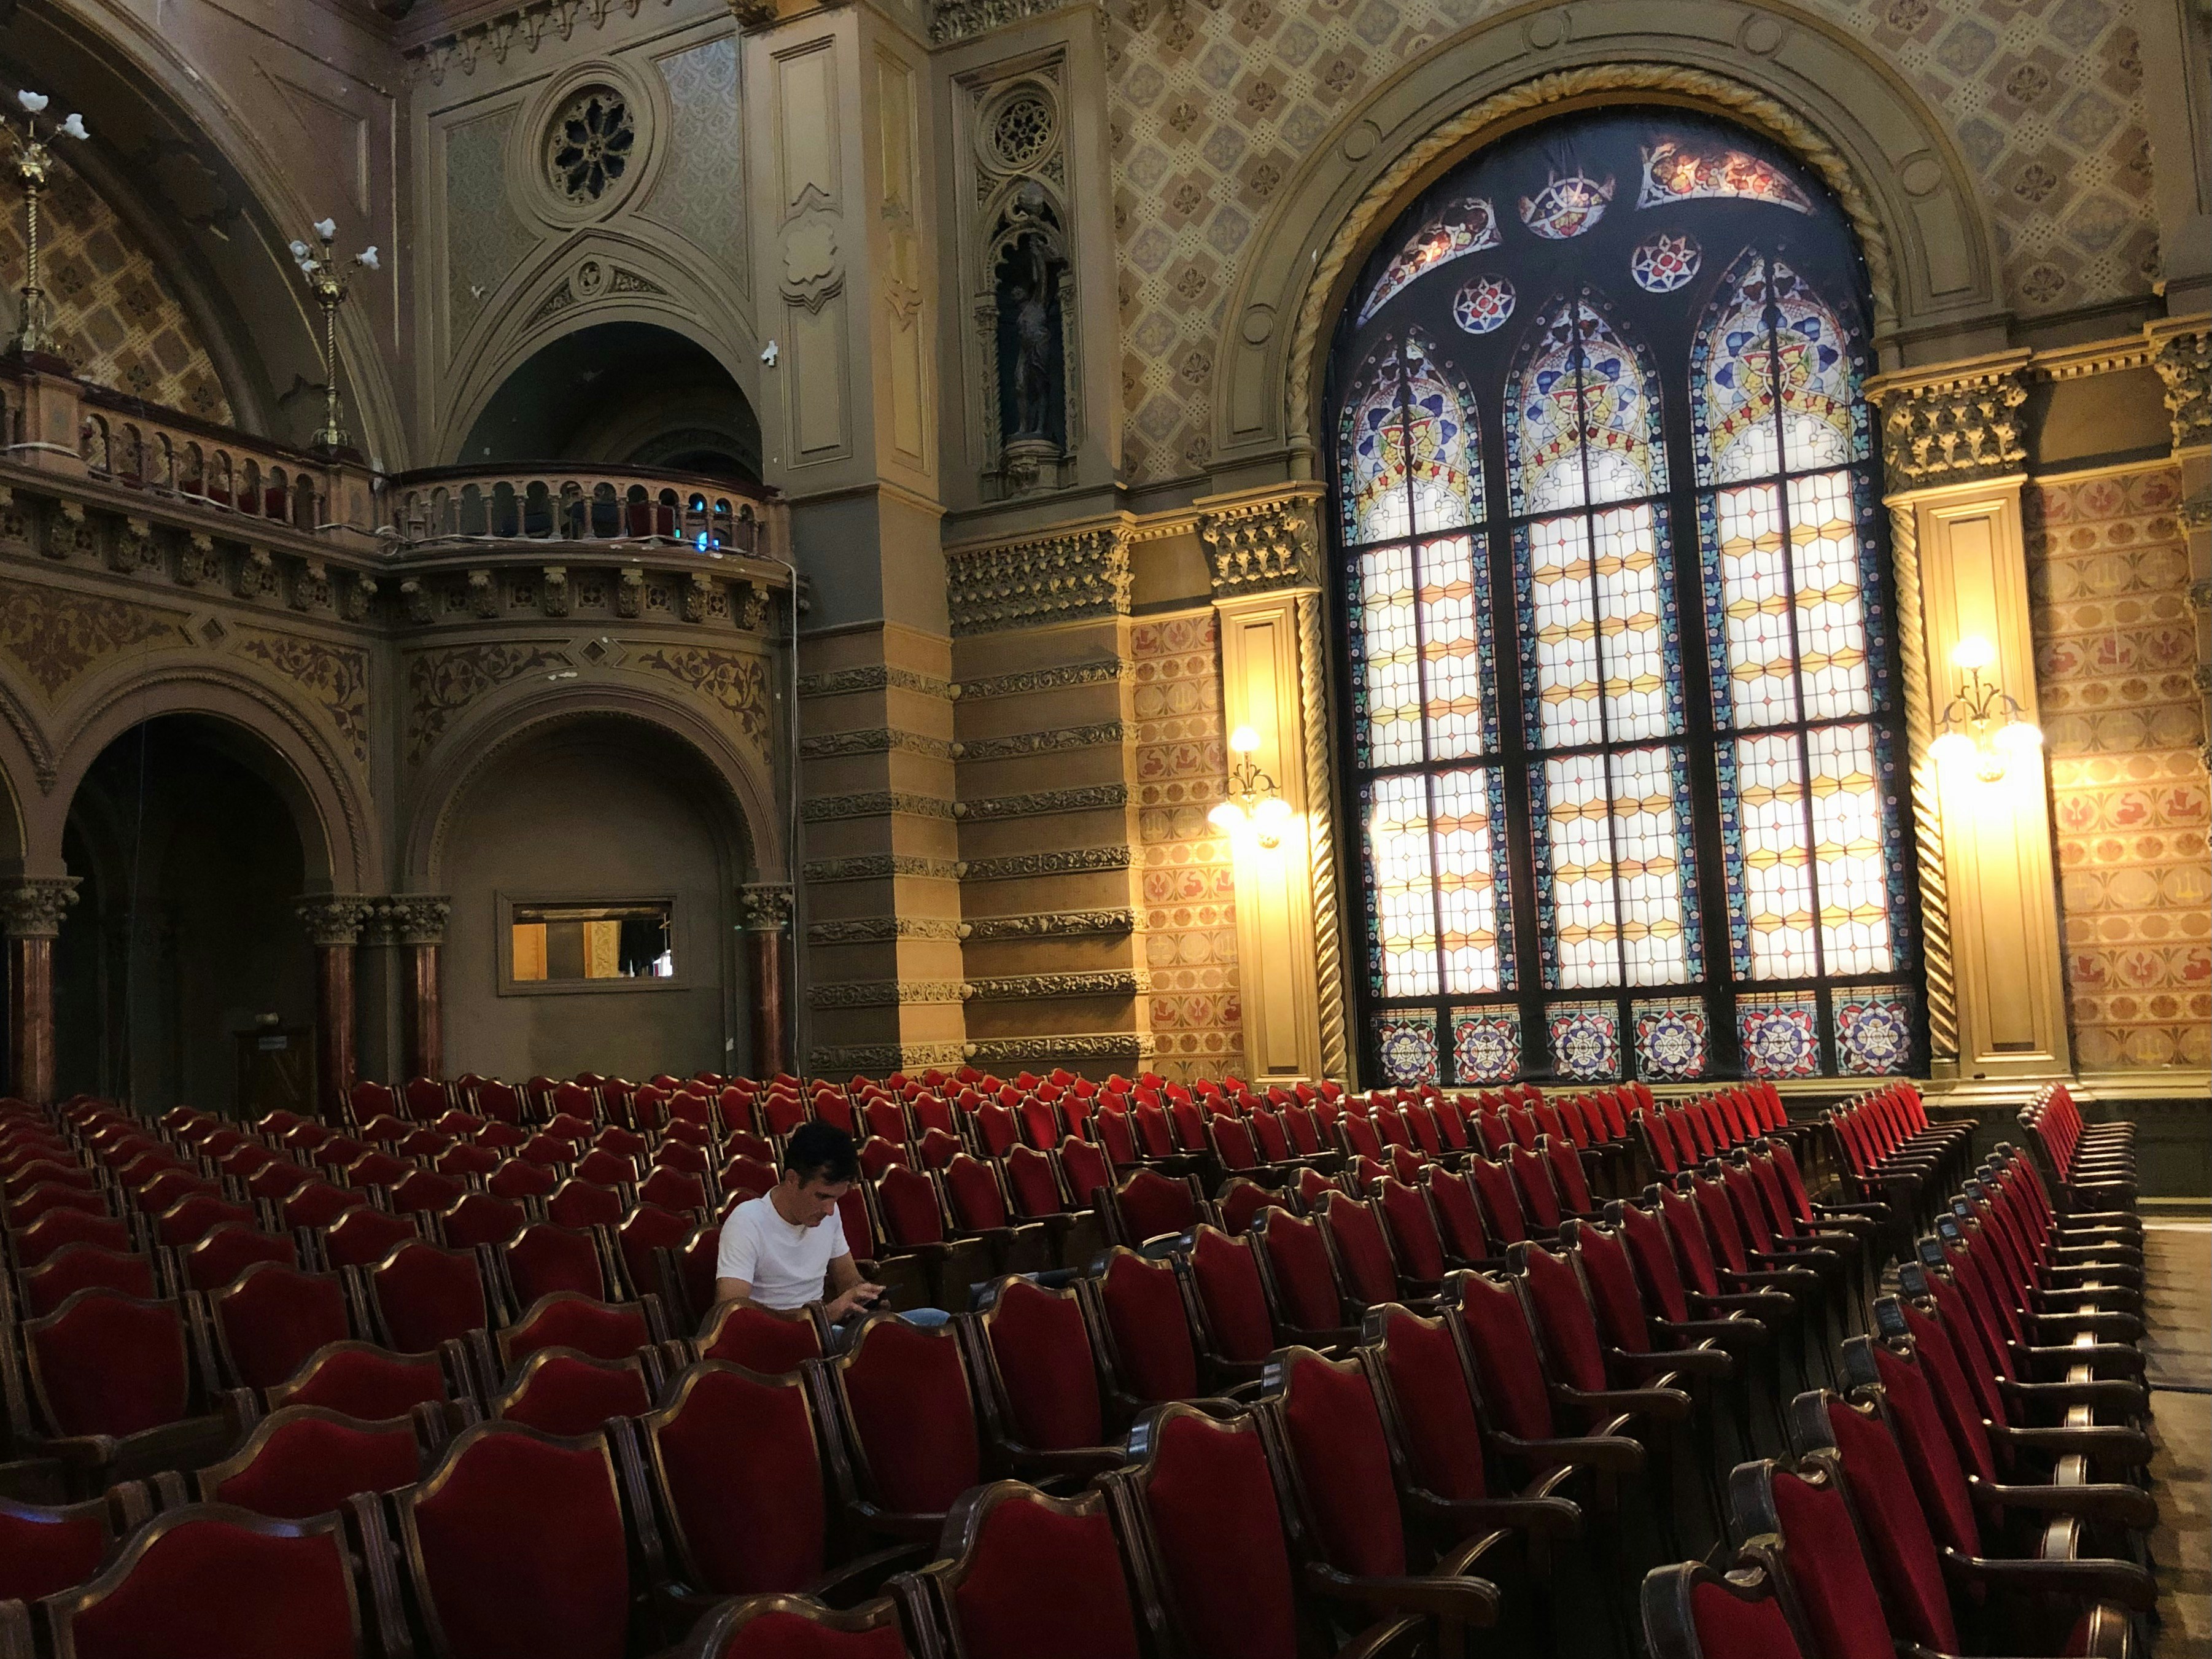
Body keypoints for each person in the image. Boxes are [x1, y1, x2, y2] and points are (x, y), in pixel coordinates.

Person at [712, 1121, 949, 1326]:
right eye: (822, 1196)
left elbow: (849, 1280)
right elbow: (733, 1317)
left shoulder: (829, 1215)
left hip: (824, 1331)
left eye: (836, 1198)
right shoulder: (747, 1222)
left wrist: (867, 1297)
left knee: (938, 1319)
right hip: (780, 1344)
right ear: (792, 1180)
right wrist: (828, 1314)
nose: (830, 1210)